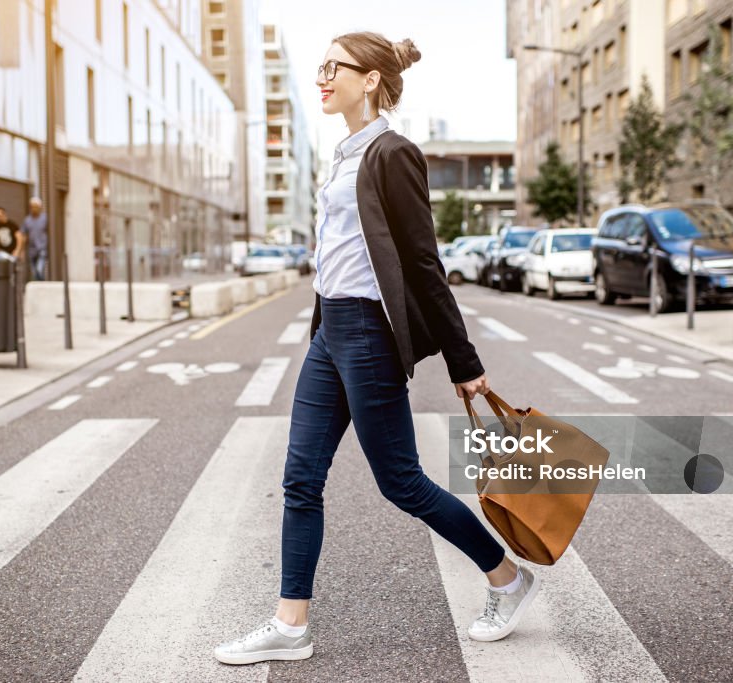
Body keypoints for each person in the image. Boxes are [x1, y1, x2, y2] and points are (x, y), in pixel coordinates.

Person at [214, 32, 539, 666]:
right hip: (329, 333)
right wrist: (317, 328)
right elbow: (334, 257)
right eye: (321, 65)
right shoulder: (343, 151)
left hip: (366, 334)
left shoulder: (393, 153)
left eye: (335, 66)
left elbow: (423, 262)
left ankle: (508, 577)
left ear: (370, 80)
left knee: (402, 482)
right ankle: (290, 624)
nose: (323, 76)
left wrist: (463, 362)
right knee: (300, 477)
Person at [22, 197, 48, 281]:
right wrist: (22, 251)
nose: (34, 209)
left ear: (40, 207)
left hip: (42, 248)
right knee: (34, 274)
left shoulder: (45, 218)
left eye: (36, 206)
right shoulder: (27, 220)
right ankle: (41, 287)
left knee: (39, 270)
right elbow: (24, 235)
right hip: (31, 250)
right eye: (32, 206)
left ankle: (42, 284)